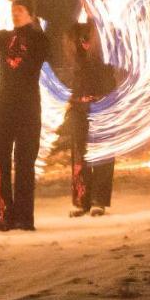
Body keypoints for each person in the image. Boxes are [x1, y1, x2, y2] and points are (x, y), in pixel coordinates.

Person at [0, 0, 50, 230]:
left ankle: (24, 218)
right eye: (13, 10)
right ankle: (1, 215)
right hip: (4, 105)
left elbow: (40, 57)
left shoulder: (40, 38)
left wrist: (29, 31)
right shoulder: (3, 36)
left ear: (31, 14)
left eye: (20, 10)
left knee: (25, 161)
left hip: (27, 105)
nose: (15, 13)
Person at [62, 20, 117, 217]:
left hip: (103, 100)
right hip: (79, 100)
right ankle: (81, 200)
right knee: (79, 150)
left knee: (102, 150)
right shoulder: (73, 31)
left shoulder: (107, 29)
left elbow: (108, 53)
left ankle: (99, 200)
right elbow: (73, 57)